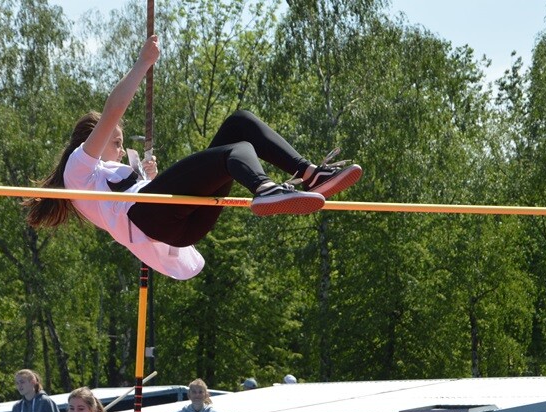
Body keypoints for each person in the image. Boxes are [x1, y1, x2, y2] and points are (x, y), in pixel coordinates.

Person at [24, 34, 362, 281]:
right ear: (90, 141)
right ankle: (266, 189)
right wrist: (143, 63)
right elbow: (113, 111)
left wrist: (149, 181)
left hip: (180, 226)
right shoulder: (78, 170)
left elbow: (133, 204)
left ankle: (309, 173)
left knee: (239, 124)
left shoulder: (105, 179)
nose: (119, 148)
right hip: (156, 221)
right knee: (236, 152)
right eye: (117, 142)